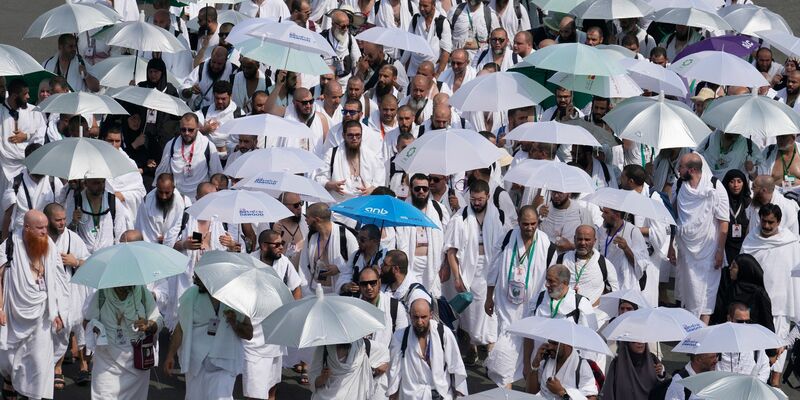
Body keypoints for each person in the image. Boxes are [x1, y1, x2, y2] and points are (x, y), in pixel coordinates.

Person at [0, 210, 68, 400]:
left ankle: (36, 396)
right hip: (14, 313)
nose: (45, 232)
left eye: (46, 227)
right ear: (26, 227)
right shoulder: (9, 246)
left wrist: (58, 311)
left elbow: (59, 282)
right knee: (10, 360)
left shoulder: (50, 246)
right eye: (39, 228)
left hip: (43, 315)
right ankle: (11, 382)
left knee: (40, 363)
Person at [484, 206, 555, 388]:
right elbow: (493, 268)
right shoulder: (508, 238)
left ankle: (529, 388)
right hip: (507, 304)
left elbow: (552, 274)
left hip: (533, 306)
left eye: (533, 224)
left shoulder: (545, 243)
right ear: (518, 221)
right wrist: (488, 296)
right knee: (505, 348)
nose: (529, 228)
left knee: (532, 355)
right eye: (525, 224)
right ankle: (505, 387)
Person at [163, 273, 254, 400]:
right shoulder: (191, 295)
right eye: (195, 277)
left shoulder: (235, 298)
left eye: (199, 279)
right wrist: (170, 355)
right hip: (196, 363)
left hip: (224, 363)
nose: (195, 281)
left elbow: (249, 333)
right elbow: (180, 328)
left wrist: (234, 323)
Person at [739, 204, 800, 386]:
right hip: (754, 303)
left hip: (780, 304)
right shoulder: (751, 239)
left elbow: (796, 276)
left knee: (778, 349)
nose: (765, 226)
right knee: (753, 350)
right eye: (763, 221)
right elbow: (742, 267)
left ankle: (775, 386)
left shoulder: (791, 243)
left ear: (779, 222)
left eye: (770, 222)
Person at [443, 179, 504, 358]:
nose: (476, 203)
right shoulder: (459, 218)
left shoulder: (497, 215)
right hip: (469, 270)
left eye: (480, 199)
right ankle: (472, 348)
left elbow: (502, 245)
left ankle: (491, 349)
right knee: (471, 313)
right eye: (473, 199)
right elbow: (451, 251)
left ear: (488, 197)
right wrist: (456, 277)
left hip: (491, 268)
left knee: (491, 310)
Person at [669, 153, 729, 323]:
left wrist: (720, 251)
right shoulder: (679, 185)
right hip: (686, 249)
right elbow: (673, 218)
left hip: (709, 250)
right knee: (689, 291)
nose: (678, 170)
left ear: (692, 170)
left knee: (707, 293)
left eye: (681, 167)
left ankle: (701, 335)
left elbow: (724, 222)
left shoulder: (716, 187)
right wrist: (670, 247)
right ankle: (690, 330)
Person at [244, 229, 303, 400]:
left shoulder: (284, 263)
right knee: (253, 386)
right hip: (253, 333)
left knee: (272, 384)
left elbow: (296, 288)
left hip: (277, 332)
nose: (281, 248)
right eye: (277, 245)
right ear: (263, 246)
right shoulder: (249, 261)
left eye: (282, 244)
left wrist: (292, 311)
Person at [83, 282, 162, 399]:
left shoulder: (143, 293)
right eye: (119, 286)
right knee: (104, 396)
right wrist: (96, 328)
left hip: (136, 362)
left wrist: (149, 324)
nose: (123, 290)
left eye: (127, 286)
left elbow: (158, 320)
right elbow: (87, 321)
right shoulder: (101, 294)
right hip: (106, 362)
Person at [44, 203, 90, 390]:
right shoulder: (41, 238)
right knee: (57, 330)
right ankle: (57, 368)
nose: (63, 223)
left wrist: (76, 261)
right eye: (58, 220)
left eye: (64, 219)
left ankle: (83, 365)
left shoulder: (73, 238)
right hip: (49, 291)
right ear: (48, 221)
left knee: (76, 325)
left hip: (72, 291)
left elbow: (89, 262)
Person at [386, 298, 468, 399]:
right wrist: (393, 395)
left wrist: (460, 394)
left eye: (423, 317)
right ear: (409, 315)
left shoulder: (443, 333)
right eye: (415, 317)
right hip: (410, 395)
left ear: (431, 315)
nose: (419, 322)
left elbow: (456, 366)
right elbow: (394, 370)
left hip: (440, 394)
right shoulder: (400, 336)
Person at [395, 174, 448, 297]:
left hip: (433, 264)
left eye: (425, 189)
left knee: (431, 302)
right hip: (410, 264)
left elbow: (447, 240)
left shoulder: (439, 209)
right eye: (417, 189)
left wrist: (446, 266)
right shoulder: (402, 210)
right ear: (411, 189)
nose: (421, 192)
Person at [154, 113, 224, 199]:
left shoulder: (208, 146)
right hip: (177, 199)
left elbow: (216, 177)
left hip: (199, 200)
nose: (186, 133)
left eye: (190, 130)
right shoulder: (171, 145)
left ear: (198, 127)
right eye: (183, 130)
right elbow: (161, 174)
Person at [317, 120, 386, 202]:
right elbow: (319, 178)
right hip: (339, 205)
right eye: (350, 135)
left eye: (358, 135)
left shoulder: (372, 156)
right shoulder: (331, 154)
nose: (354, 138)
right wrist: (329, 184)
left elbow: (380, 178)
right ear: (343, 135)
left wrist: (373, 189)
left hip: (364, 204)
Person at [299, 202, 359, 294]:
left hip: (337, 293)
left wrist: (339, 268)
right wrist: (306, 291)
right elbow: (303, 266)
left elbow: (357, 264)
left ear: (317, 220)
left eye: (307, 217)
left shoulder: (345, 236)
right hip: (314, 291)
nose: (305, 220)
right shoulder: (311, 236)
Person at [66, 177, 134, 254]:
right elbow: (67, 234)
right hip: (83, 256)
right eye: (96, 183)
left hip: (109, 255)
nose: (101, 186)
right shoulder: (75, 201)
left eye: (103, 182)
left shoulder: (113, 201)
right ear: (85, 183)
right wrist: (74, 222)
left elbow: (120, 232)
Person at [557, 225, 619, 306]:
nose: (583, 243)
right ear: (574, 239)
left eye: (587, 240)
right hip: (563, 312)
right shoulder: (562, 260)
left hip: (594, 315)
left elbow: (614, 294)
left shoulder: (604, 264)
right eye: (579, 239)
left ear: (594, 241)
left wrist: (595, 306)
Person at [711, 254, 774, 329]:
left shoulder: (759, 293)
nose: (730, 268)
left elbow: (767, 323)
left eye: (734, 266)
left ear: (744, 269)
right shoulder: (731, 289)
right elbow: (722, 316)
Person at [0, 80, 45, 183]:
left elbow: (41, 132)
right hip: (5, 166)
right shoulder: (1, 112)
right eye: (25, 94)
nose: (28, 97)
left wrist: (27, 136)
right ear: (15, 96)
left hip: (27, 165)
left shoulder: (34, 111)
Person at [716, 302, 771, 382]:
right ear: (729, 319)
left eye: (747, 322)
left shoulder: (755, 343)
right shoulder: (717, 341)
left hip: (748, 391)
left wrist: (755, 385)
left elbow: (764, 367)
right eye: (740, 321)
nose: (744, 325)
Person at [527, 339, 599, 399]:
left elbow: (592, 398)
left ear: (568, 344)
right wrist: (535, 364)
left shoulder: (582, 366)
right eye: (549, 342)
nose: (550, 347)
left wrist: (561, 392)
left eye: (555, 344)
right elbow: (531, 392)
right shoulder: (546, 361)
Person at [598, 207, 648, 291]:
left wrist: (626, 248)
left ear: (617, 215)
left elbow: (641, 264)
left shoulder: (633, 231)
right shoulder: (601, 230)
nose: (602, 215)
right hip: (604, 283)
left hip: (624, 286)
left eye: (606, 213)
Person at [134, 173, 188, 247]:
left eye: (167, 193)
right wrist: (157, 239)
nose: (163, 197)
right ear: (156, 187)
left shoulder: (184, 202)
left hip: (175, 245)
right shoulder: (147, 201)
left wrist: (167, 239)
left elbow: (183, 227)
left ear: (173, 188)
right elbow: (143, 227)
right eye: (160, 192)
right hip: (151, 244)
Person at [600, 341, 665, 400]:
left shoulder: (652, 359)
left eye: (643, 340)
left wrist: (661, 374)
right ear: (627, 343)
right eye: (634, 341)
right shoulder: (617, 364)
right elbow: (609, 393)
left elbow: (664, 388)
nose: (640, 343)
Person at [337, 224, 388, 296]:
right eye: (358, 238)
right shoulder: (355, 255)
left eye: (362, 240)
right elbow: (345, 274)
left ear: (375, 241)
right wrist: (345, 285)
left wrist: (380, 274)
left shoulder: (385, 258)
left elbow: (390, 283)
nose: (358, 242)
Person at [405, 0, 452, 77]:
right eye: (420, 5)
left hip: (433, 71)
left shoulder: (442, 22)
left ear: (433, 5)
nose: (422, 8)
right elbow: (409, 46)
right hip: (414, 70)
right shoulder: (415, 19)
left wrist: (438, 74)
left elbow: (446, 52)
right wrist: (404, 68)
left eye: (425, 6)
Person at [722, 169, 751, 264]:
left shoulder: (748, 202)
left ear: (744, 183)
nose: (736, 185)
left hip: (745, 245)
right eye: (732, 181)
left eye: (739, 181)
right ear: (726, 183)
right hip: (726, 246)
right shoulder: (721, 202)